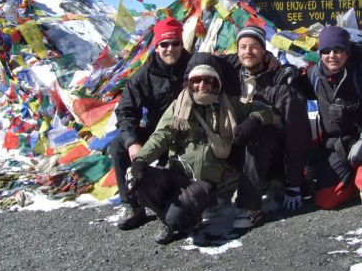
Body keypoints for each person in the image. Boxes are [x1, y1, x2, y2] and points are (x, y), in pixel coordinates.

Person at [129, 53, 271, 244]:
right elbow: (161, 136)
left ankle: (177, 217)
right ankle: (166, 216)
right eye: (196, 80)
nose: (201, 85)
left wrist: (254, 119)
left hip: (203, 180)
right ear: (189, 82)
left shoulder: (229, 104)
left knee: (177, 218)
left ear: (217, 82)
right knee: (139, 180)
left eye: (208, 80)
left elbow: (265, 110)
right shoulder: (178, 107)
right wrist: (141, 159)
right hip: (176, 171)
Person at [221, 25, 311, 228]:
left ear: (264, 50)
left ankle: (249, 207)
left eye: (254, 47)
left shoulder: (281, 83)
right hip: (236, 145)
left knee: (258, 136)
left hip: (271, 151)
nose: (248, 52)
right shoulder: (232, 71)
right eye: (243, 47)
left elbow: (298, 135)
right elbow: (204, 61)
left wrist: (294, 182)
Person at [300, 26, 362, 215]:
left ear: (347, 52)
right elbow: (294, 89)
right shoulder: (313, 75)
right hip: (337, 144)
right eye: (326, 51)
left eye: (338, 50)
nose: (331, 56)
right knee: (326, 200)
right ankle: (354, 180)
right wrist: (281, 70)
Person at [110, 17, 191, 231]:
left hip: (188, 134)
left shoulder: (194, 66)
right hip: (156, 134)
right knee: (118, 145)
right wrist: (132, 142)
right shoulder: (142, 77)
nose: (170, 48)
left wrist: (267, 58)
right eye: (164, 44)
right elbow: (125, 111)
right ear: (156, 46)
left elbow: (230, 64)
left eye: (175, 43)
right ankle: (132, 206)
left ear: (182, 44)